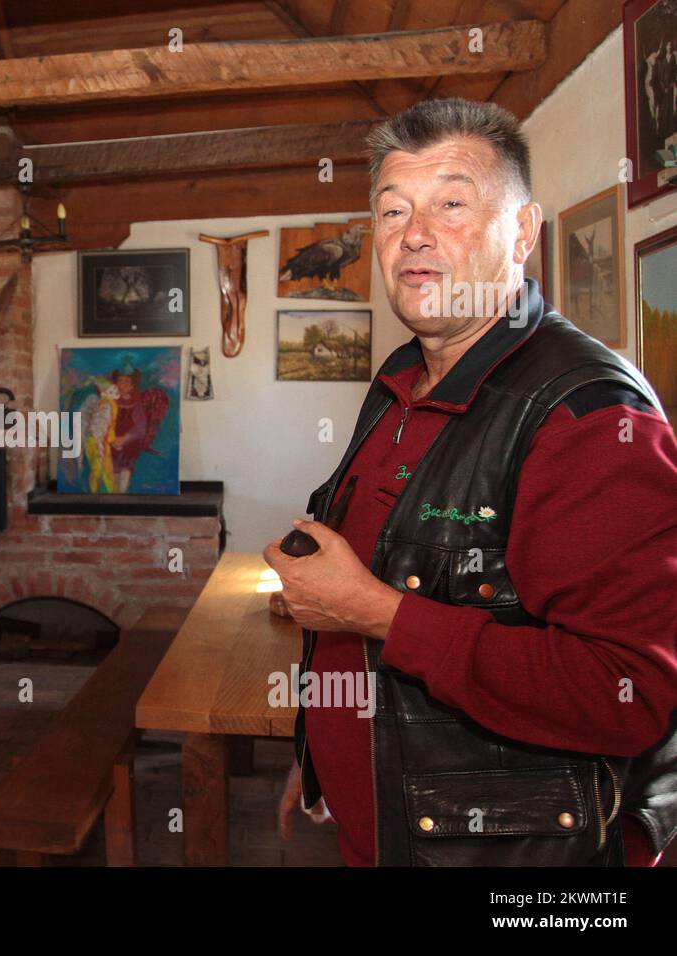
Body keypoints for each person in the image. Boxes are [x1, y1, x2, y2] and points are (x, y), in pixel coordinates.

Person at [264, 97, 677, 866]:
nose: (414, 233)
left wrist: (376, 611)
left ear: (523, 232)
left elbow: (625, 692)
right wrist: (322, 751)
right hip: (390, 827)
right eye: (392, 211)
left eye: (451, 204)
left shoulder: (586, 414)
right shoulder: (398, 381)